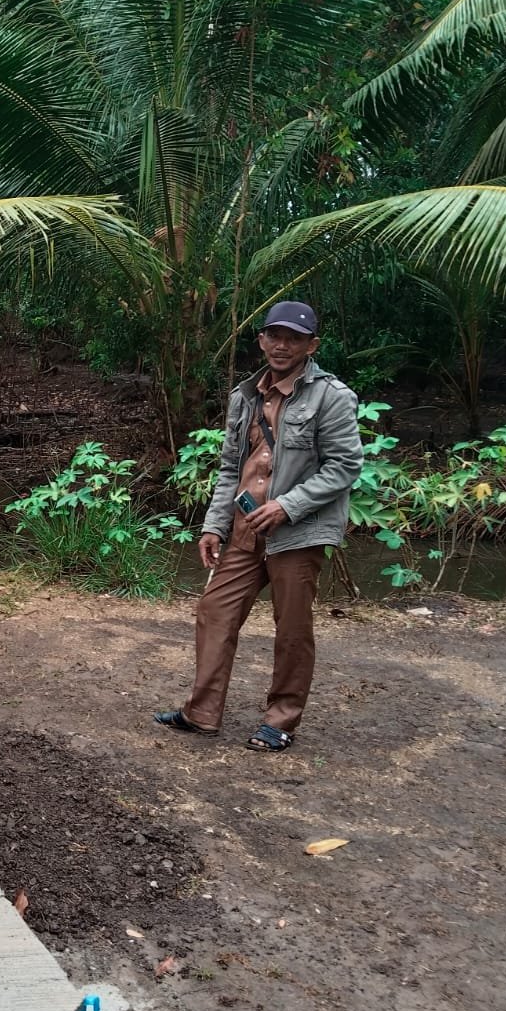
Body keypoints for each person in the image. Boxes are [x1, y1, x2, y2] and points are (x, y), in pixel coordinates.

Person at [154, 301, 362, 751]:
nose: (282, 345)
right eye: (274, 335)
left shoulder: (332, 397)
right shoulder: (243, 396)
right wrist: (214, 526)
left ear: (312, 345)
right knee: (215, 611)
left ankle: (280, 720)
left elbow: (344, 466)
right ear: (262, 340)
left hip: (298, 533)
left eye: (294, 338)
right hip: (246, 528)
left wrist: (288, 506)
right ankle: (201, 713)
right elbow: (231, 466)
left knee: (291, 629)